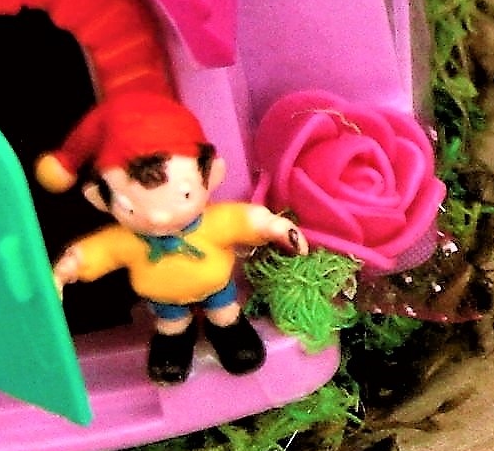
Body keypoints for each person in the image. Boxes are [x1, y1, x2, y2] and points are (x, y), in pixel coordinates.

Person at [41, 90, 303, 384]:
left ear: (211, 175)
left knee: (224, 313)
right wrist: (68, 268)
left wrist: (275, 227)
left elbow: (245, 220)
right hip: (165, 301)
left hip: (216, 290)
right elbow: (98, 251)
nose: (158, 218)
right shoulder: (126, 240)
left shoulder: (213, 221)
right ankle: (174, 342)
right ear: (100, 200)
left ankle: (229, 332)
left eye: (184, 194)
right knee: (171, 323)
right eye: (129, 207)